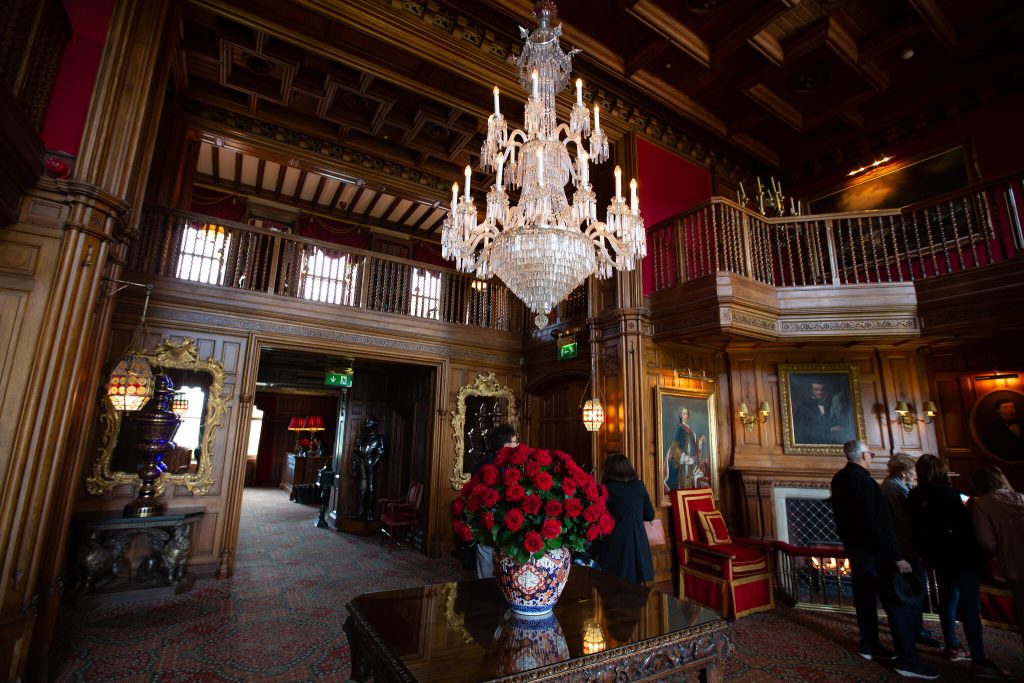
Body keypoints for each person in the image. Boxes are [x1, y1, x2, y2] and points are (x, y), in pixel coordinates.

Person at [829, 440, 936, 679]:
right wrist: (896, 556)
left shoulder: (840, 478)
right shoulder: (866, 483)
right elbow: (878, 524)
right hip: (875, 552)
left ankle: (870, 645)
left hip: (855, 551)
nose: (871, 457)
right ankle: (908, 660)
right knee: (896, 604)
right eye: (870, 453)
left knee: (865, 600)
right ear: (864, 456)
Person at [908, 454, 1011, 679]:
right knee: (970, 608)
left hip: (938, 558)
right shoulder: (949, 494)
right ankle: (978, 658)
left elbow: (916, 530)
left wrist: (926, 555)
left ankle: (952, 646)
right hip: (962, 557)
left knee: (948, 601)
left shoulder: (914, 495)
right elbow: (965, 528)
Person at [881, 453, 942, 649]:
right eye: (912, 471)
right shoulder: (892, 487)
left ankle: (916, 626)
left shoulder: (897, 485)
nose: (915, 474)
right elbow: (904, 517)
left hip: (907, 545)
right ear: (904, 471)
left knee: (915, 587)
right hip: (903, 545)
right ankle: (915, 629)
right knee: (914, 587)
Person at [971, 466, 1024, 650]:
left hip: (1013, 563)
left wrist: (999, 551)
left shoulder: (982, 505)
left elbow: (986, 540)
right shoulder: (1020, 497)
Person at [592, 454, 654, 584]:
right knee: (636, 594)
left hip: (613, 546)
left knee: (611, 591)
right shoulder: (639, 487)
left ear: (608, 470)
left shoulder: (605, 490)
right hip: (638, 546)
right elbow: (650, 515)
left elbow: (595, 518)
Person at [472, 423, 517, 579]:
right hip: (505, 523)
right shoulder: (510, 466)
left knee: (484, 569)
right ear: (506, 446)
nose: (517, 445)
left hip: (482, 521)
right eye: (515, 442)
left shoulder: (480, 464)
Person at [664, 407, 709, 492]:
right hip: (683, 465)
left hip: (691, 463)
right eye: (684, 414)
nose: (686, 416)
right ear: (681, 416)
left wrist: (700, 442)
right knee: (684, 487)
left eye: (687, 413)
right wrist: (684, 458)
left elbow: (694, 444)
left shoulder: (690, 430)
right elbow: (674, 447)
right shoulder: (679, 429)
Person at [794, 380, 852, 445]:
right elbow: (803, 431)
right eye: (816, 390)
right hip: (812, 444)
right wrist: (830, 429)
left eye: (822, 389)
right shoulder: (804, 408)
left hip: (832, 443)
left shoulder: (831, 405)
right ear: (810, 391)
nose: (820, 392)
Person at [351, 417, 385, 521]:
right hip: (362, 466)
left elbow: (380, 453)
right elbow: (356, 453)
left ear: (374, 425)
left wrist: (373, 464)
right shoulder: (362, 439)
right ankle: (361, 512)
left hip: (371, 466)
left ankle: (369, 513)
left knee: (370, 490)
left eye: (369, 423)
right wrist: (354, 466)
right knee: (362, 490)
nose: (367, 426)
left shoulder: (379, 438)